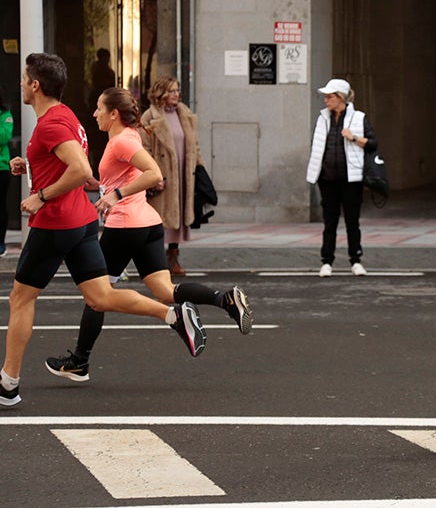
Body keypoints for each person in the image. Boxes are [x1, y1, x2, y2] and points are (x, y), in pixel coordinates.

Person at [1, 53, 205, 408]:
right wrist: (29, 165)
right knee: (100, 297)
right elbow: (64, 164)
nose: (20, 84)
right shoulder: (65, 117)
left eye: (23, 78)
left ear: (35, 85)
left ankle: (8, 383)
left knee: (20, 298)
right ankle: (172, 314)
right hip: (81, 221)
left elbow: (80, 170)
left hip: (55, 222)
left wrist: (41, 196)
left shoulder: (51, 125)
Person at [44, 87, 253, 383]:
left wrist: (116, 195)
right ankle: (225, 300)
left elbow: (154, 174)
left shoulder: (122, 141)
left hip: (125, 227)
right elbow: (113, 179)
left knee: (97, 296)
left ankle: (80, 361)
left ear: (113, 114)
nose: (94, 113)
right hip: (148, 225)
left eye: (99, 108)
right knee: (165, 290)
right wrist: (98, 185)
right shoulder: (127, 137)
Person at [306, 78, 378, 277]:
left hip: (351, 179)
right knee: (329, 222)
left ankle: (356, 260)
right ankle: (326, 262)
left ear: (341, 98)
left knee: (352, 222)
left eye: (329, 96)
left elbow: (373, 143)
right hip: (327, 179)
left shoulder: (359, 118)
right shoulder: (322, 119)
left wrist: (353, 137)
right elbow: (317, 146)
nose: (326, 100)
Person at [141, 76, 206, 276]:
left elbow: (195, 145)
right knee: (160, 218)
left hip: (184, 173)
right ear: (160, 93)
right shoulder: (149, 116)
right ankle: (156, 261)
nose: (176, 94)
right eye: (171, 91)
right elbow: (144, 149)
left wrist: (200, 170)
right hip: (163, 175)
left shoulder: (184, 113)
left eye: (177, 90)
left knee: (178, 215)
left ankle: (173, 257)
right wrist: (153, 176)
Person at [0, 90, 12, 257]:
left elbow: (3, 136)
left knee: (0, 206)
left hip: (1, 168)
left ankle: (1, 242)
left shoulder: (5, 115)